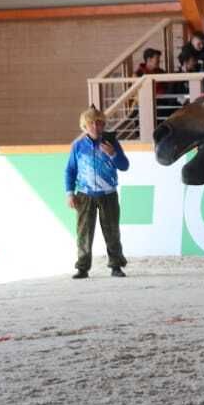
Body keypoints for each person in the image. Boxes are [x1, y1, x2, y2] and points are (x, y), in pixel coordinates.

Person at [64, 106, 129, 279]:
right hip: (84, 194)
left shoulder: (111, 144)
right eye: (91, 123)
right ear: (84, 126)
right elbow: (70, 170)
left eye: (99, 123)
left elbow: (124, 165)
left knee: (112, 231)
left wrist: (114, 154)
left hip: (108, 194)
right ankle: (82, 267)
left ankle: (116, 265)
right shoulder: (78, 147)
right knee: (84, 232)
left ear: (103, 125)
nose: (95, 126)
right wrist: (70, 193)